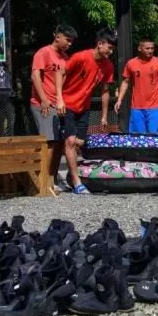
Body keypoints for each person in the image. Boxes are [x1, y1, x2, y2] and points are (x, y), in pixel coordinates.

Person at [59, 28, 116, 194]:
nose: (111, 52)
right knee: (70, 142)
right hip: (67, 104)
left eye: (113, 49)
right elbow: (60, 73)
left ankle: (72, 172)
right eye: (110, 48)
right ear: (100, 44)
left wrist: (105, 116)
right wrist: (58, 98)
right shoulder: (80, 57)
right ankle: (77, 182)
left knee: (79, 143)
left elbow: (105, 91)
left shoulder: (108, 66)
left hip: (84, 107)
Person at [30, 24, 76, 188]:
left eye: (71, 42)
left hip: (60, 105)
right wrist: (43, 99)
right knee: (49, 141)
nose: (69, 44)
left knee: (59, 142)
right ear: (57, 36)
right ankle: (44, 180)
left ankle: (53, 177)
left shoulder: (65, 58)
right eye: (67, 40)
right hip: (44, 104)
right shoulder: (43, 53)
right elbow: (35, 76)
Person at [114, 38, 158, 135]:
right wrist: (119, 100)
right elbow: (125, 82)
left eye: (152, 48)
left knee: (154, 137)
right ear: (140, 49)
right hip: (136, 107)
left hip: (154, 107)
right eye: (147, 48)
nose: (150, 51)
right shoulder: (131, 63)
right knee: (137, 138)